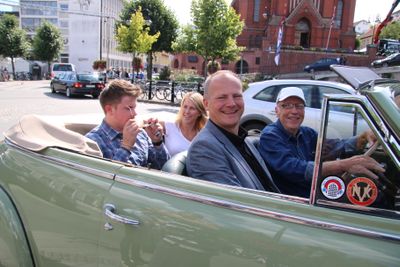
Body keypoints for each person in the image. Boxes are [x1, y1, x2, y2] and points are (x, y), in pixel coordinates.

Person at [258, 87, 385, 198]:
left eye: (299, 106)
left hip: (317, 192)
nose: (294, 111)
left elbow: (334, 147)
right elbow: (294, 169)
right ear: (277, 110)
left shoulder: (307, 133)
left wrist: (363, 137)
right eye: (287, 105)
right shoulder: (270, 136)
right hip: (297, 201)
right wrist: (343, 165)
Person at [187, 70, 279, 192]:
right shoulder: (204, 148)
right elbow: (236, 205)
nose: (231, 103)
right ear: (206, 104)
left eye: (237, 96)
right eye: (222, 97)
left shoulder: (243, 140)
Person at [86, 79, 170, 169]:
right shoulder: (92, 141)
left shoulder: (140, 133)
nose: (134, 114)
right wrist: (126, 147)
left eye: (134, 108)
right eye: (129, 108)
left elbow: (163, 168)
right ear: (109, 110)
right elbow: (104, 178)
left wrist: (157, 142)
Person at [158, 92, 208, 157]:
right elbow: (146, 125)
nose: (187, 111)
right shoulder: (169, 126)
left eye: (192, 108)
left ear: (199, 113)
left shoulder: (203, 135)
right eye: (185, 107)